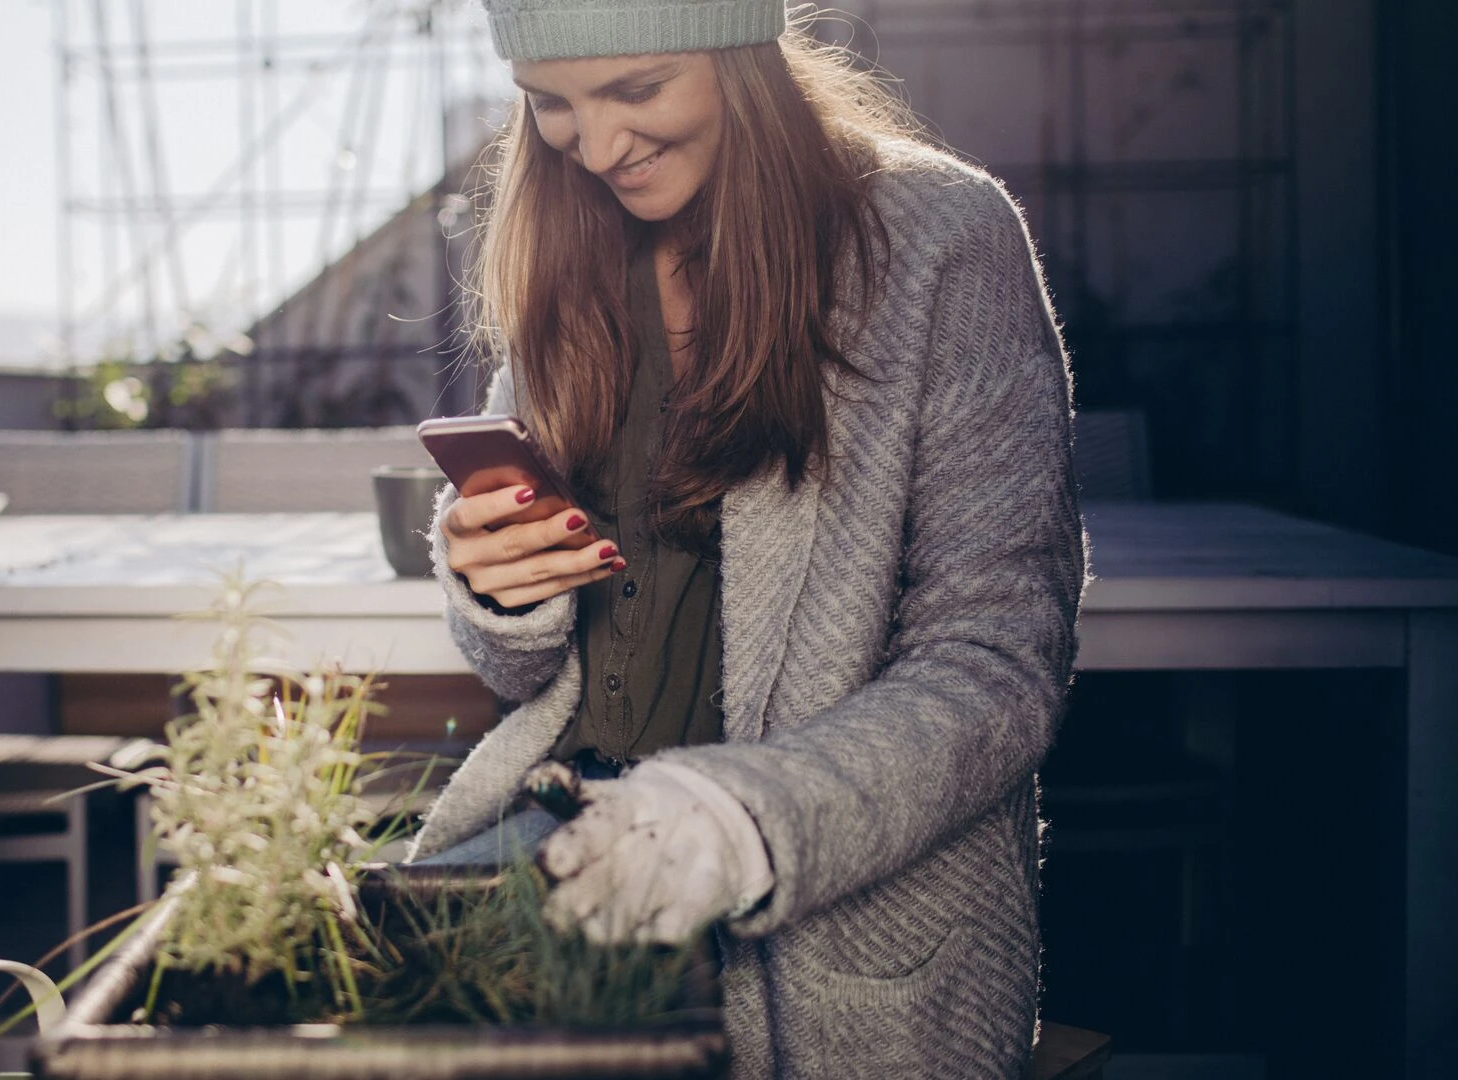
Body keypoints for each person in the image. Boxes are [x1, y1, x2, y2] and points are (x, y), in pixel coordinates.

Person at [408, 1, 1089, 1077]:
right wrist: (500, 592)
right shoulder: (571, 246)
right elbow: (523, 675)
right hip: (576, 850)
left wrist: (734, 823)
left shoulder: (942, 236)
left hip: (840, 932)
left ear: (746, 55)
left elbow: (997, 664)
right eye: (551, 104)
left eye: (637, 88)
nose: (598, 147)